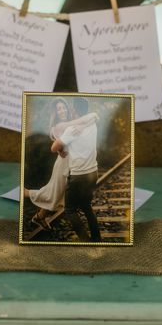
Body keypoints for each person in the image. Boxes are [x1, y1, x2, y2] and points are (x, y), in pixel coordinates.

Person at [24, 97, 98, 230]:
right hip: (63, 164)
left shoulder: (70, 123)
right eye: (59, 109)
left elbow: (86, 121)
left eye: (64, 107)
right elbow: (56, 144)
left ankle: (39, 217)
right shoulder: (59, 126)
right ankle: (24, 193)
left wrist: (85, 124)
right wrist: (87, 121)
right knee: (53, 192)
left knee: (58, 193)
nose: (62, 110)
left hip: (73, 164)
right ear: (55, 112)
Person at [51, 97, 102, 242]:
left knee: (69, 210)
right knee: (86, 206)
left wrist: (60, 150)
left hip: (79, 175)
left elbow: (53, 147)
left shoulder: (71, 130)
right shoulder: (92, 125)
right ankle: (97, 238)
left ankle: (85, 240)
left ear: (73, 110)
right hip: (93, 172)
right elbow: (94, 117)